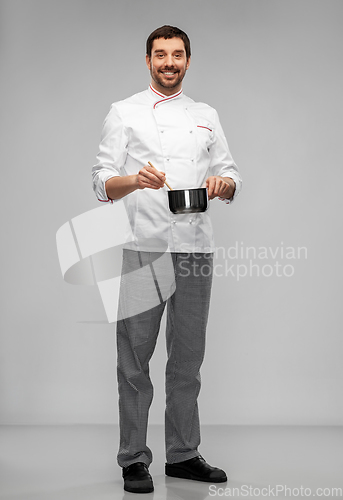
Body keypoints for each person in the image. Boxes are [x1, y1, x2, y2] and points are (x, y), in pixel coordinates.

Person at [92, 25, 242, 494]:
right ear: (148, 60)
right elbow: (100, 181)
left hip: (196, 248)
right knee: (134, 360)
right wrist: (135, 181)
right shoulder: (125, 112)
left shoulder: (206, 115)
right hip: (145, 246)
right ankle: (134, 459)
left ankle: (183, 454)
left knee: (188, 359)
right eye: (161, 55)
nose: (169, 63)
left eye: (178, 55)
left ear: (188, 61)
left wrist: (224, 185)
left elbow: (230, 173)